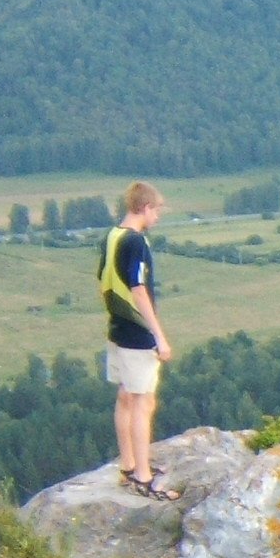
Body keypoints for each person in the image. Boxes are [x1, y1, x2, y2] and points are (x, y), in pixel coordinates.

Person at [97, 181, 178, 499]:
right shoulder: (137, 243)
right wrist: (158, 335)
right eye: (157, 210)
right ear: (146, 208)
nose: (157, 217)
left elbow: (103, 281)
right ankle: (143, 476)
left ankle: (128, 465)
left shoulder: (112, 236)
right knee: (144, 402)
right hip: (137, 334)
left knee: (125, 397)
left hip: (117, 330)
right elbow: (138, 287)